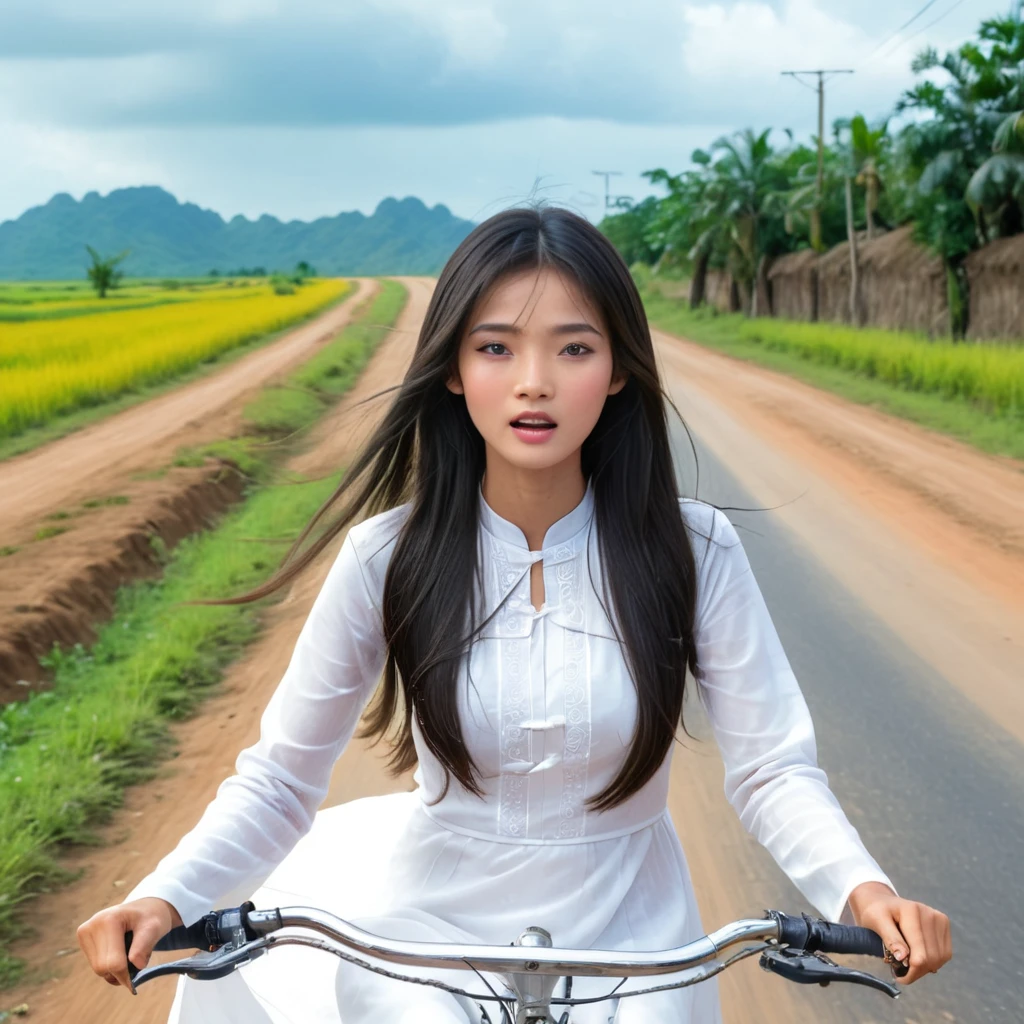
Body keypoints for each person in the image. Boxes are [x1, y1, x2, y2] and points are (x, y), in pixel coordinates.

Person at [77, 205, 952, 1022]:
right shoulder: (386, 557)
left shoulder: (696, 550)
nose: (534, 383)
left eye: (574, 350)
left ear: (617, 373)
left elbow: (770, 770)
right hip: (424, 949)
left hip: (640, 946)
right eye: (497, 348)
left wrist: (863, 891)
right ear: (454, 371)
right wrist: (165, 895)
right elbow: (281, 779)